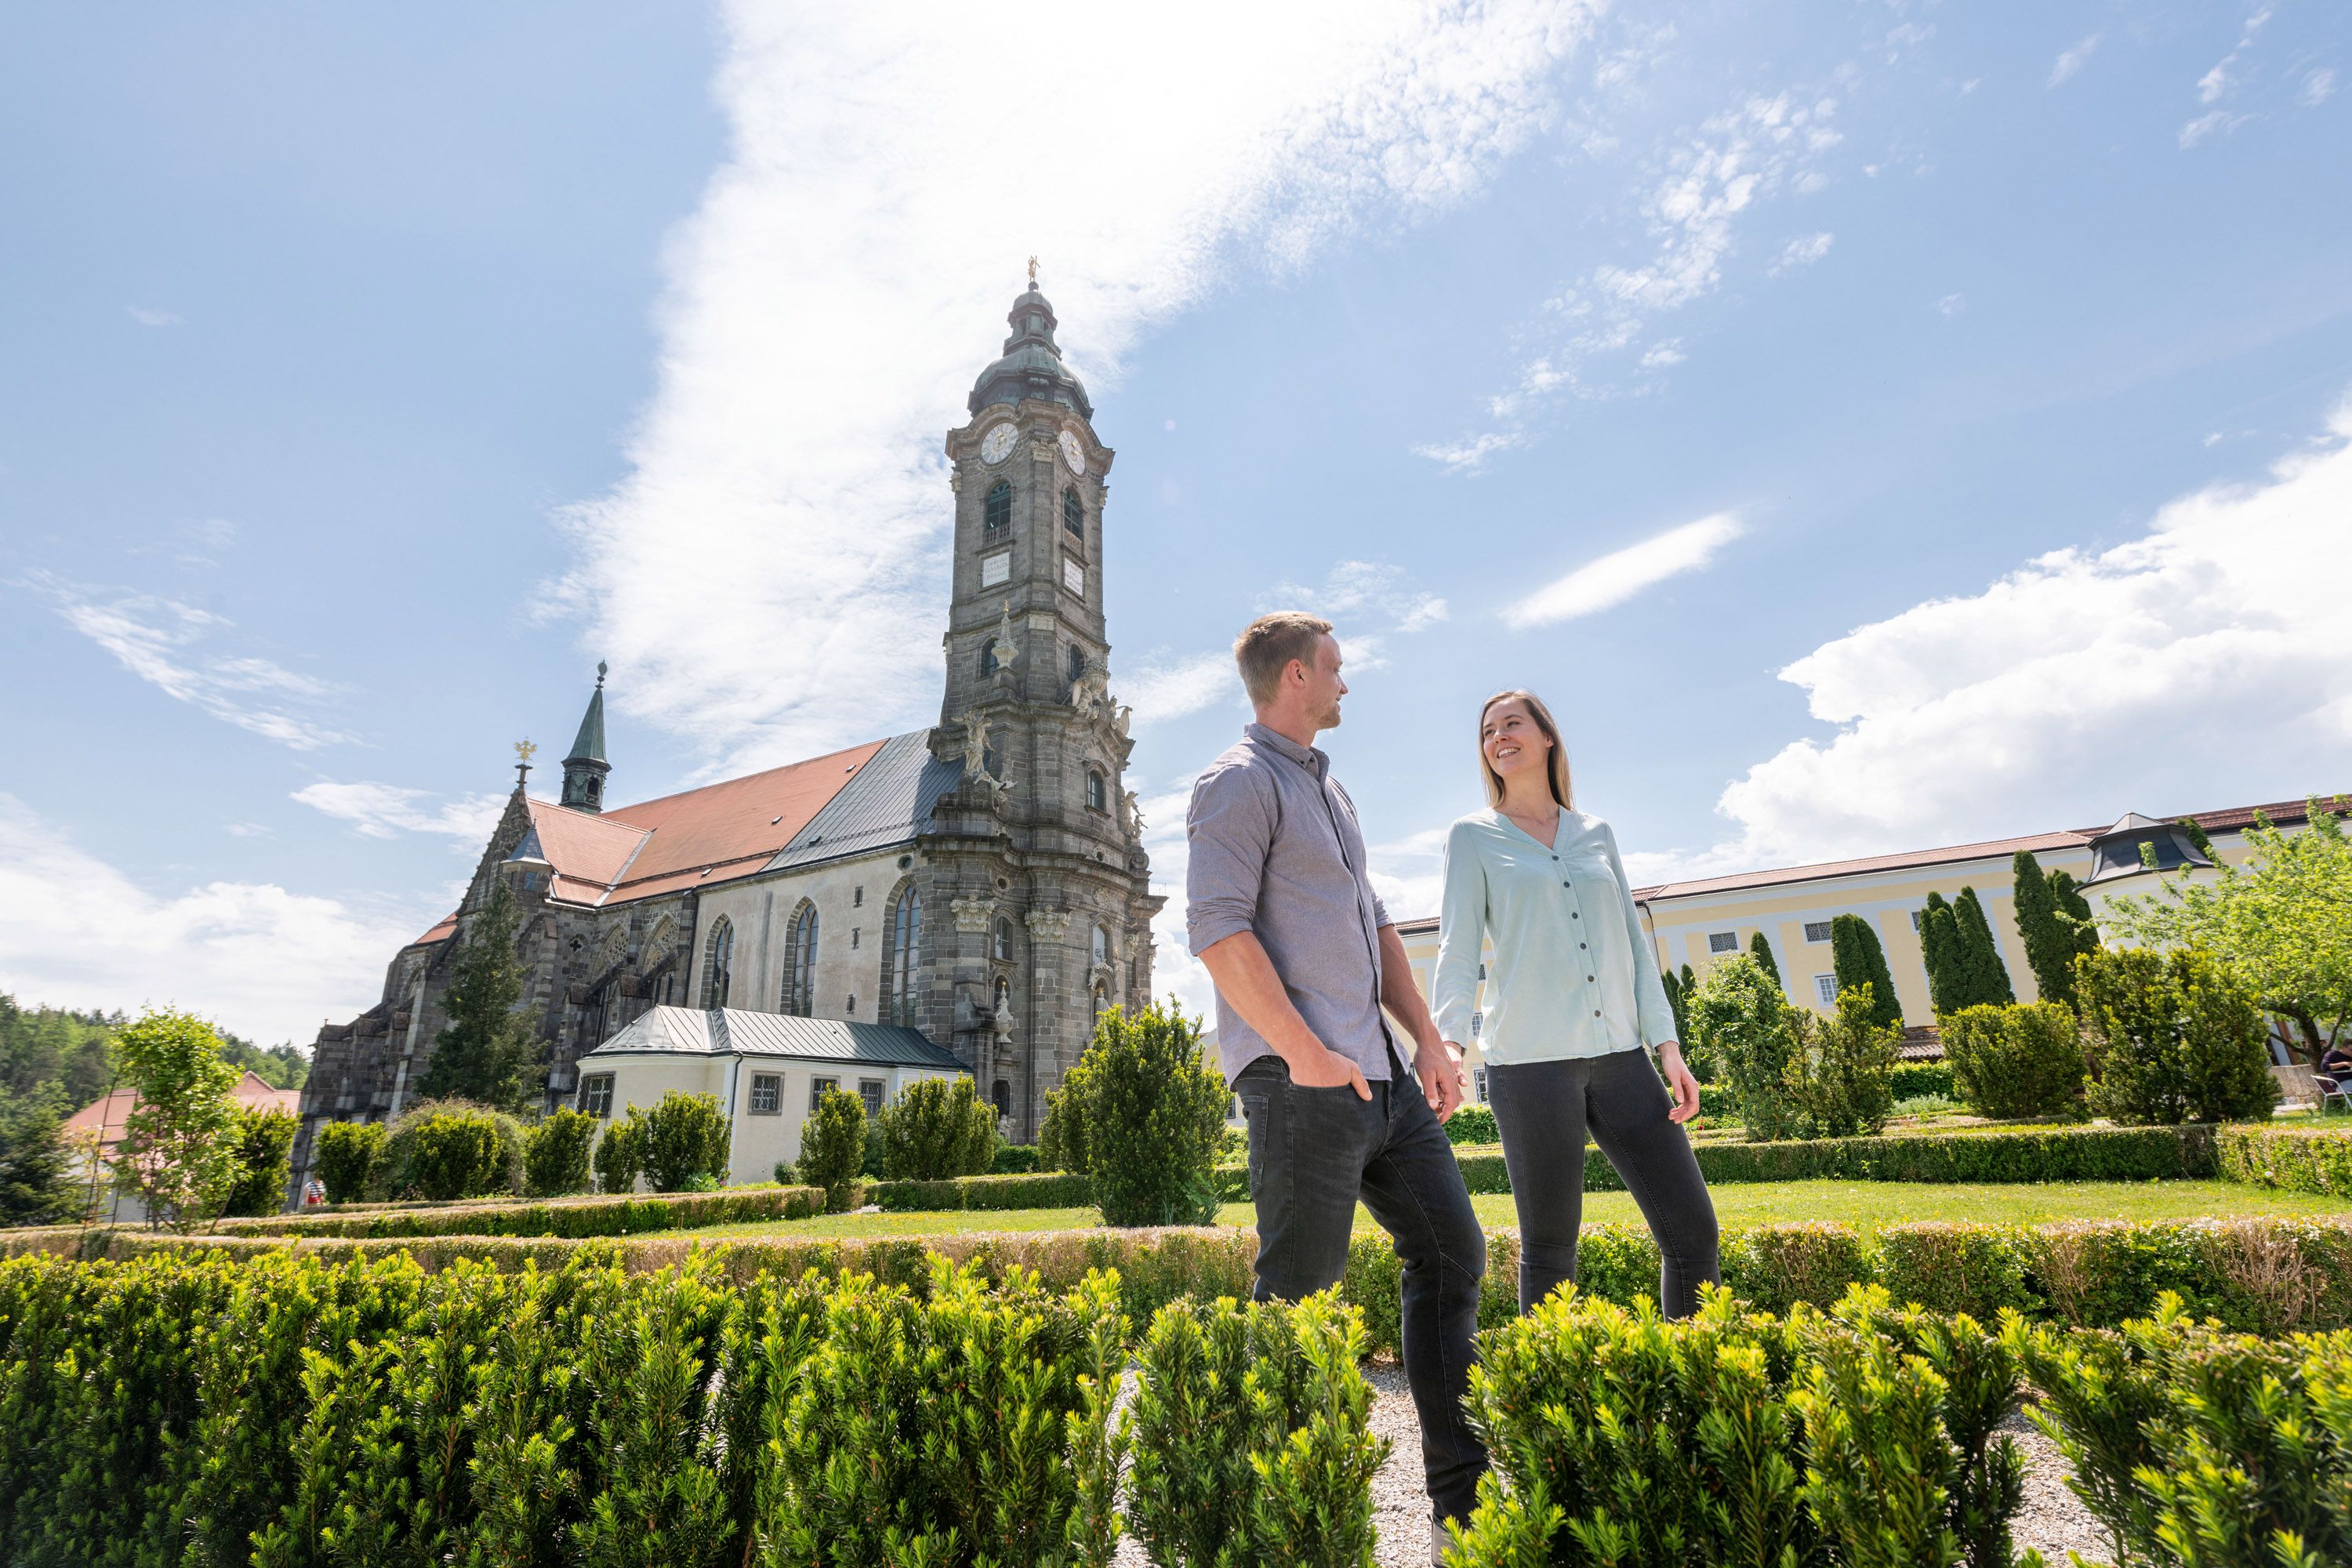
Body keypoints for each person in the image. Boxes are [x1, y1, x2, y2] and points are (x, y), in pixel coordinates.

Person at [1186, 612, 1487, 1561]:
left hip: (1385, 1081)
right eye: (1336, 669)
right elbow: (1219, 934)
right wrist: (1306, 1051)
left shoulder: (1333, 792)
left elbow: (1381, 928)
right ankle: (1282, 1526)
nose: (1346, 685)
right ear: (1293, 677)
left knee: (1453, 1254)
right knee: (1297, 1303)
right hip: (1302, 1081)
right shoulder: (1236, 784)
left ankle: (1461, 1499)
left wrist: (1426, 1042)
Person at [1432, 689, 1720, 1319]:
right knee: (1551, 1250)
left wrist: (1667, 1047)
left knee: (1693, 1233)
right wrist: (1448, 1045)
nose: (1499, 738)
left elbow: (1633, 946)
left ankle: (1703, 1384)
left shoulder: (1596, 833)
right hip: (1530, 1067)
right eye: (1488, 731)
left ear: (1547, 737)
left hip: (1622, 1060)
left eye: (1513, 724)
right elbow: (1457, 951)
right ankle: (1546, 1403)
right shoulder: (1473, 837)